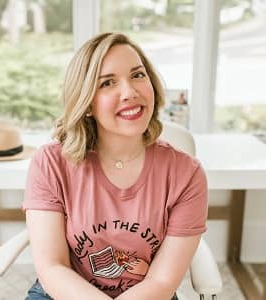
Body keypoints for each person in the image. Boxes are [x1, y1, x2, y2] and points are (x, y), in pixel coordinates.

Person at [22, 32, 208, 300]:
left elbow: (163, 280)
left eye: (138, 75)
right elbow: (54, 267)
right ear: (86, 103)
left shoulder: (186, 173)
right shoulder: (51, 163)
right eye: (107, 82)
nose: (130, 92)